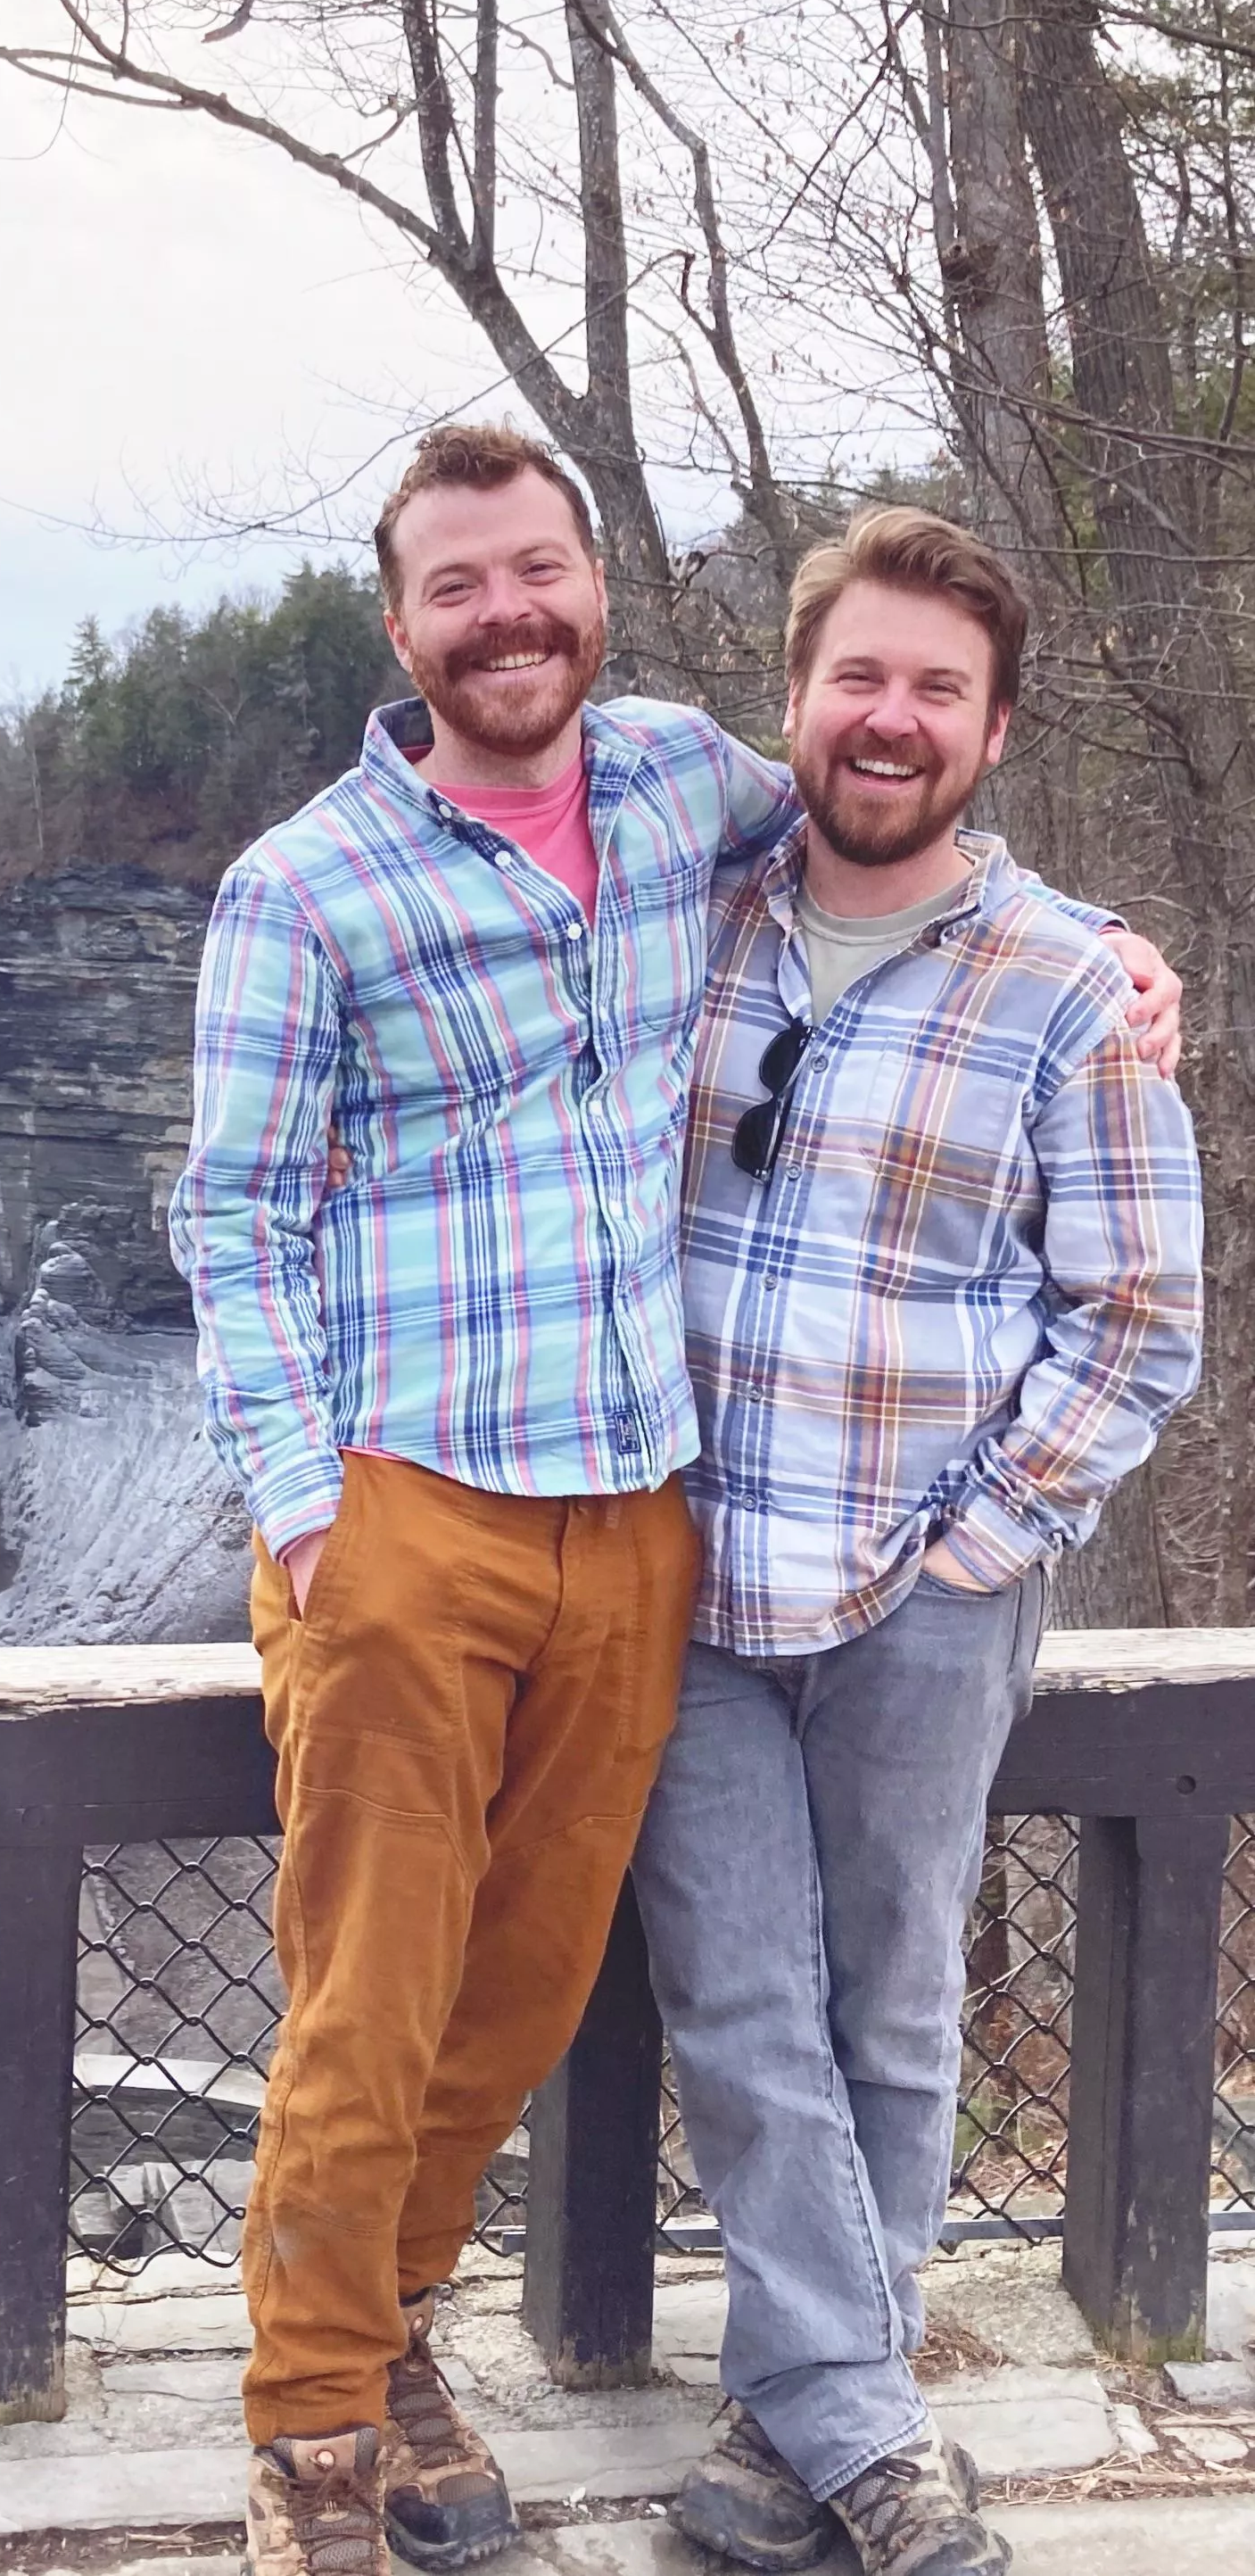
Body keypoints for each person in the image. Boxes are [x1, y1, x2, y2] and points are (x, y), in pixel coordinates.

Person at [165, 425, 1181, 2576]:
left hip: (646, 1520)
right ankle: (314, 2429)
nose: (508, 612)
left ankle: (438, 2337)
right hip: (412, 1496)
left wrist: (1114, 941)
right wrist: (299, 1500)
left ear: (594, 587)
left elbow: (921, 838)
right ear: (404, 624)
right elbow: (235, 1215)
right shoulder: (306, 884)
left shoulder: (668, 789)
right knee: (374, 1988)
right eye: (462, 585)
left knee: (529, 1987)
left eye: (541, 568)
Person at [630, 509, 1203, 2576]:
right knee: (738, 1997)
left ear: (996, 728)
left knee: (886, 2001)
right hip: (682, 1577)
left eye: (935, 691)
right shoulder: (672, 917)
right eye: (857, 678)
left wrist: (989, 1538)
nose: (890, 720)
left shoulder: (1067, 986)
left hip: (924, 1586)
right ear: (792, 698)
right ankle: (871, 2434)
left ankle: (805, 2439)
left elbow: (1140, 1311)